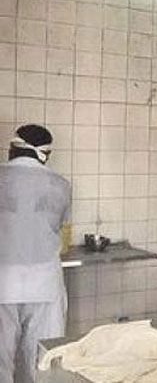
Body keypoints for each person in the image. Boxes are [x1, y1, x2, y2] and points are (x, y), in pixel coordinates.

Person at [0, 124, 71, 383]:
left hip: (2, 282)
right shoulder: (61, 185)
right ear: (45, 154)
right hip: (44, 283)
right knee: (43, 361)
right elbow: (63, 233)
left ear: (13, 148)